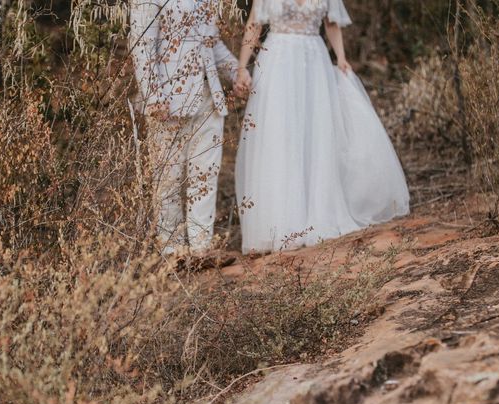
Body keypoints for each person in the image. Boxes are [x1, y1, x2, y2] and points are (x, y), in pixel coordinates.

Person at [234, 0, 410, 254]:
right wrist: (242, 67)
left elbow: (331, 22)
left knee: (316, 135)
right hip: (278, 62)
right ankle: (281, 222)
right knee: (280, 135)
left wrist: (341, 57)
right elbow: (254, 24)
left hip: (313, 62)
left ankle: (317, 213)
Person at [130, 0, 249, 256]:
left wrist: (236, 72)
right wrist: (153, 96)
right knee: (168, 180)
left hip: (209, 96)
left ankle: (199, 248)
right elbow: (141, 44)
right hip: (168, 101)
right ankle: (172, 251)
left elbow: (212, 42)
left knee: (205, 174)